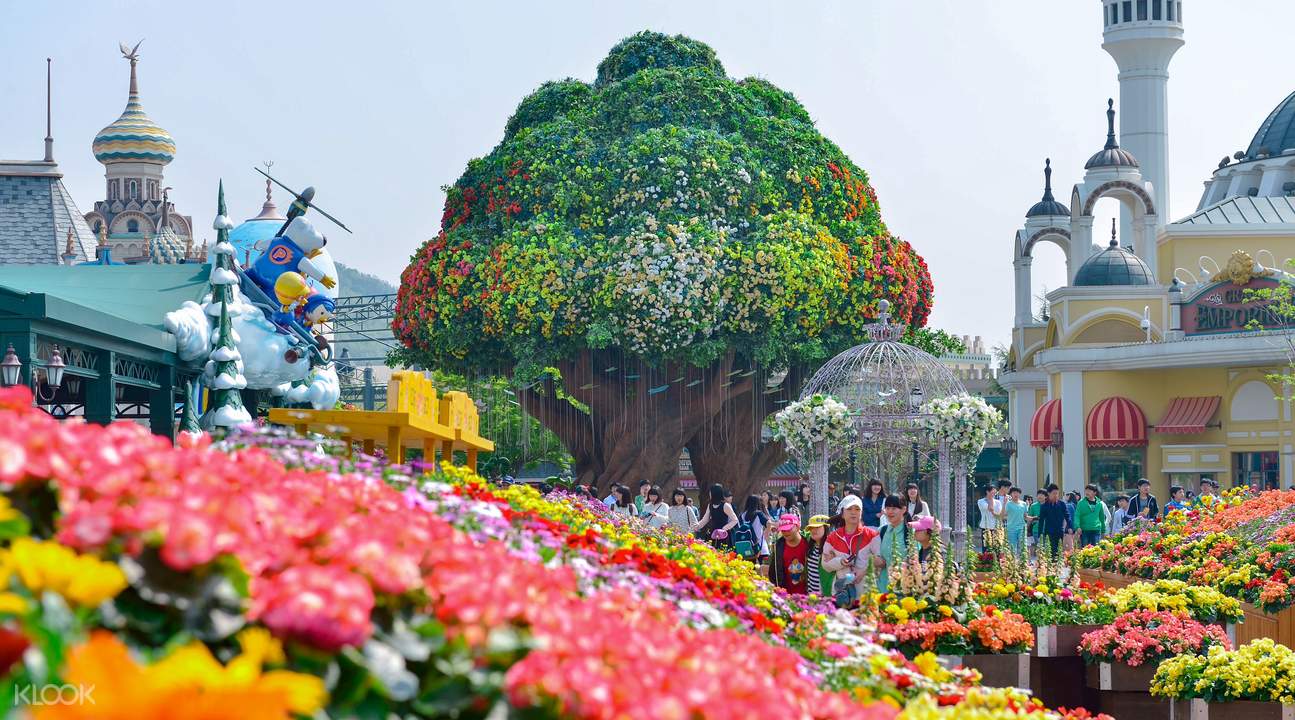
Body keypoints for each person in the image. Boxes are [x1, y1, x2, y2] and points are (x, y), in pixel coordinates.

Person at [821, 495, 880, 609]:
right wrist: (840, 562)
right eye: (849, 509)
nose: (854, 512)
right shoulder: (833, 537)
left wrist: (863, 571)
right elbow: (825, 565)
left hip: (866, 594)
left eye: (857, 509)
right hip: (842, 595)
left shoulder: (872, 535)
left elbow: (880, 561)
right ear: (842, 514)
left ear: (861, 513)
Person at [873, 495, 910, 592]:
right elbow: (873, 554)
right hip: (882, 589)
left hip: (904, 591)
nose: (890, 512)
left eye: (894, 508)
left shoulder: (910, 533)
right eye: (887, 508)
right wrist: (875, 560)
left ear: (904, 509)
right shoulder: (882, 531)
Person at [768, 514, 809, 595]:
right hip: (786, 596)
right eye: (783, 530)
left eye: (788, 529)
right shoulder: (779, 546)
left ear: (797, 527)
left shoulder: (808, 543)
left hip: (809, 595)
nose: (785, 532)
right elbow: (773, 571)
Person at [692, 483, 739, 548]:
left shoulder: (725, 505)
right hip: (713, 533)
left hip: (723, 534)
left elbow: (735, 520)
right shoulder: (710, 505)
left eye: (710, 492)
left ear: (714, 493)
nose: (709, 494)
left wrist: (724, 528)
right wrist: (697, 526)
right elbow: (705, 519)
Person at [805, 515, 835, 597]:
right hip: (811, 595)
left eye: (817, 527)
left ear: (826, 528)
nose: (813, 530)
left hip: (826, 595)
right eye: (811, 528)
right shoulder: (811, 545)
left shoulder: (831, 547)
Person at [1038, 484, 1071, 557]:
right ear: (1049, 493)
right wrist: (1040, 534)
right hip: (1049, 532)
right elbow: (1041, 521)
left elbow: (1067, 515)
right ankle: (1051, 566)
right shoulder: (1044, 506)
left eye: (1057, 493)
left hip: (1059, 531)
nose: (1056, 495)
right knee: (1051, 551)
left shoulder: (1062, 504)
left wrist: (1069, 526)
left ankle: (1057, 567)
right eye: (1054, 493)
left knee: (1059, 551)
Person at [740, 495, 773, 560]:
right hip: (760, 546)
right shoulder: (759, 514)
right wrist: (766, 534)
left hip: (747, 546)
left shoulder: (742, 515)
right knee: (762, 567)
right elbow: (769, 523)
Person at [976, 484, 1002, 549]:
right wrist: (990, 498)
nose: (995, 493)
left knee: (997, 547)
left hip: (996, 527)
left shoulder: (998, 502)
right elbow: (991, 508)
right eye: (993, 491)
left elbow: (999, 514)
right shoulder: (981, 501)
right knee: (986, 547)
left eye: (995, 491)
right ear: (987, 491)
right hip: (986, 527)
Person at [1004, 486, 1028, 555]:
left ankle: (1023, 563)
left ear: (1020, 494)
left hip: (1022, 528)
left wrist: (1033, 518)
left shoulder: (1023, 504)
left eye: (1017, 493)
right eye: (1014, 493)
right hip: (1011, 528)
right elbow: (1004, 515)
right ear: (1011, 494)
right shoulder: (1008, 504)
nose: (1016, 494)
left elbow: (1025, 516)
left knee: (1023, 546)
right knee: (1012, 547)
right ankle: (1012, 563)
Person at [1027, 489, 1046, 557]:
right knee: (1038, 547)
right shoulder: (1033, 506)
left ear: (1046, 496)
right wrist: (1027, 529)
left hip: (1047, 530)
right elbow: (1029, 518)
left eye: (1042, 494)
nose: (1039, 496)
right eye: (1038, 495)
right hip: (1036, 530)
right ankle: (1039, 564)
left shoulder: (1048, 505)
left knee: (1046, 548)